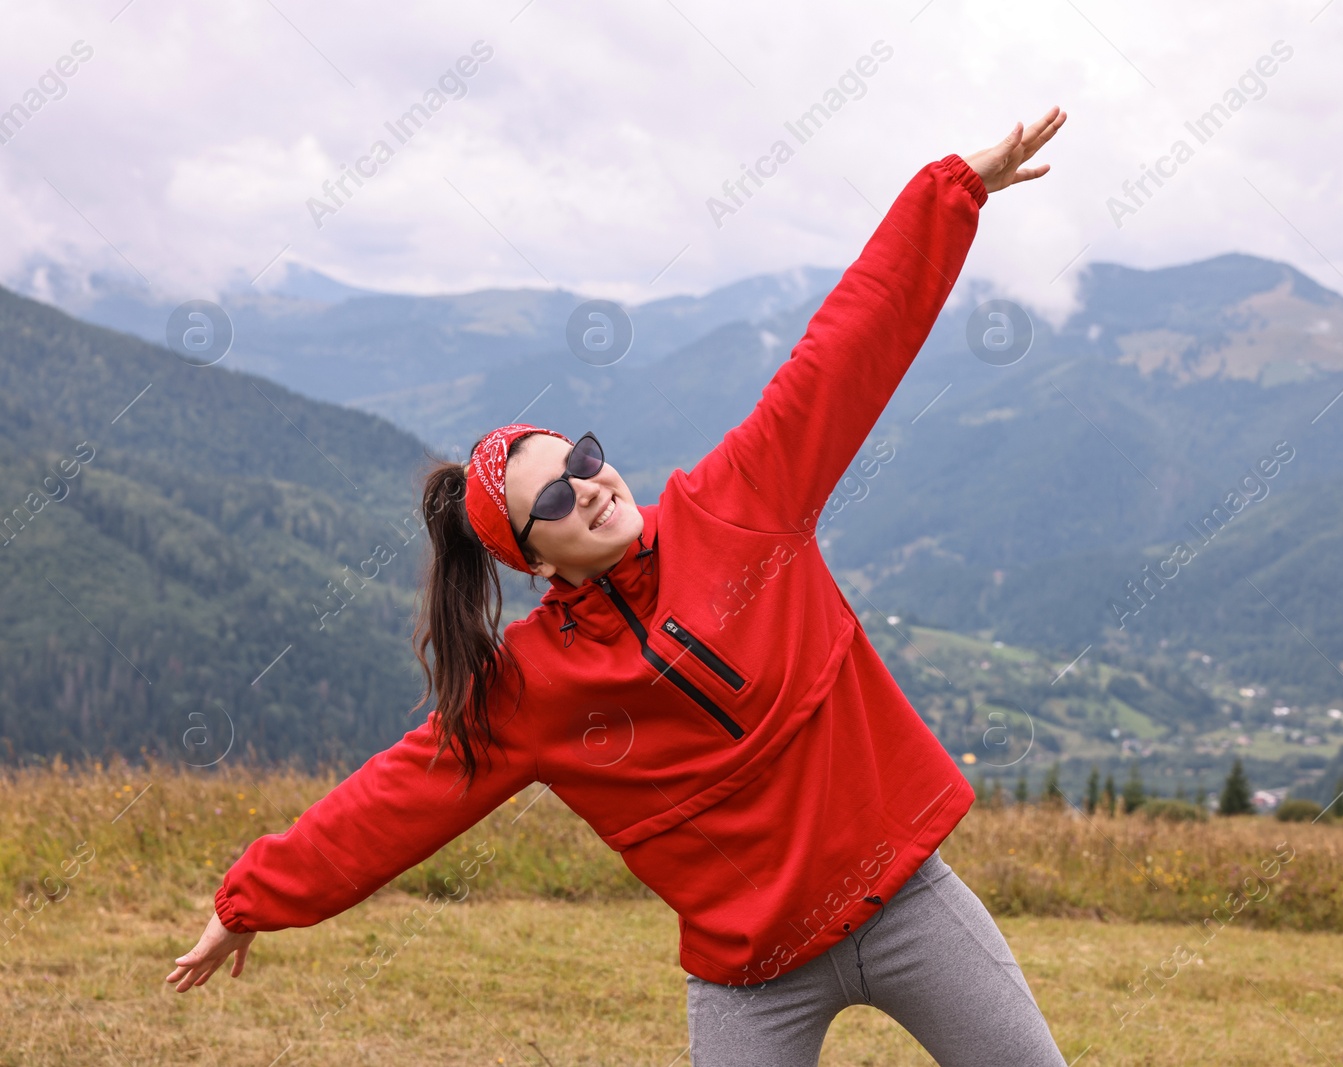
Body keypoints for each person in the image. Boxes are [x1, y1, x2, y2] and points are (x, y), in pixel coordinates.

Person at [168, 106, 1069, 1065]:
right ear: (537, 562)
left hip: (910, 903)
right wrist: (250, 898)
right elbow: (394, 800)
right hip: (749, 973)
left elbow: (844, 351)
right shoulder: (529, 687)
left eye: (584, 456)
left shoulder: (742, 501)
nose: (590, 484)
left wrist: (951, 192)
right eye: (554, 493)